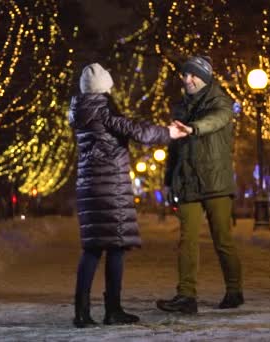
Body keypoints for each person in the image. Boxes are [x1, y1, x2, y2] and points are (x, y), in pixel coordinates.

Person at [69, 63, 188, 328]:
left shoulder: (79, 112)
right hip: (109, 187)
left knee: (92, 250)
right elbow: (138, 131)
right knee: (115, 248)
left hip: (89, 186)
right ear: (104, 88)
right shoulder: (103, 111)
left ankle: (82, 311)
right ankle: (113, 309)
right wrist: (169, 132)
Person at [156, 56, 243, 314]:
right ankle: (186, 296)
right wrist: (169, 179)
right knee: (187, 240)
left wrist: (192, 128)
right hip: (188, 182)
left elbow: (215, 121)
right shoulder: (180, 108)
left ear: (206, 77)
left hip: (216, 181)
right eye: (185, 75)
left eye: (194, 75)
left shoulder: (222, 103)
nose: (188, 79)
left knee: (222, 240)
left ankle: (234, 290)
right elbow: (174, 148)